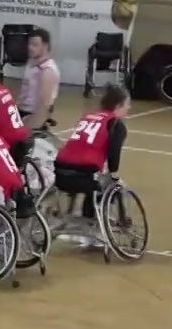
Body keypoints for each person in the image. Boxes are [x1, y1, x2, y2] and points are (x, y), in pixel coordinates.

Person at [54, 84, 131, 225]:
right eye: (127, 104)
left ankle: (79, 212)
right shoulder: (116, 124)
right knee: (112, 183)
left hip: (60, 169)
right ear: (118, 105)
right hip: (85, 174)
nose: (128, 108)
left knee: (93, 175)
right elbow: (113, 156)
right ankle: (99, 218)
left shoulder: (88, 116)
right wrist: (113, 172)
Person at [17, 27, 61, 131]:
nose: (30, 47)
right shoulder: (31, 62)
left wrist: (29, 126)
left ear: (45, 46)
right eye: (29, 44)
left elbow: (44, 105)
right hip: (20, 111)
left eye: (35, 45)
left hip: (31, 115)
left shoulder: (47, 70)